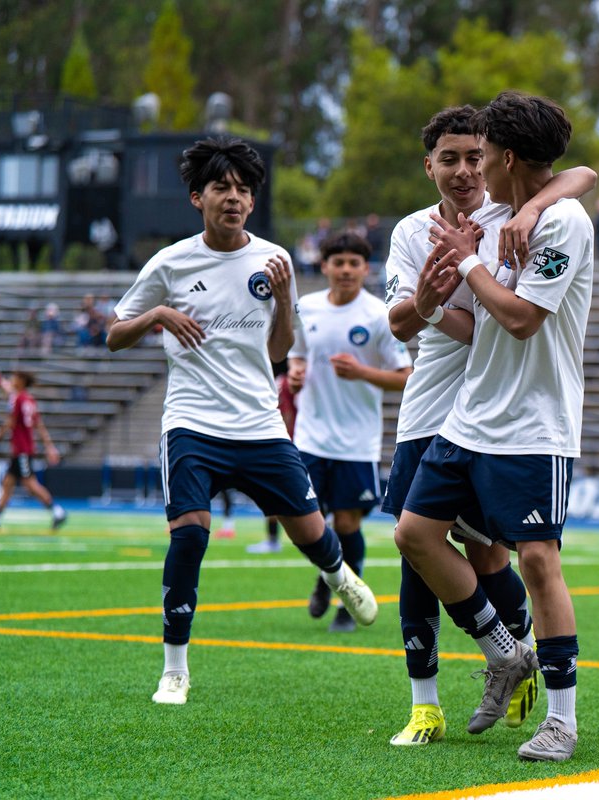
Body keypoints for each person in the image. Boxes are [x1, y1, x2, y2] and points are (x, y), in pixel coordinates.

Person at [106, 134, 379, 706]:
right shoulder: (171, 262)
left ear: (252, 202)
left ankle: (337, 577)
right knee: (190, 539)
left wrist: (283, 299)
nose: (233, 197)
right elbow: (113, 335)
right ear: (196, 198)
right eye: (221, 188)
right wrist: (158, 313)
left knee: (311, 533)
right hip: (192, 423)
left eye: (243, 190)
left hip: (258, 424)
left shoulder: (274, 261)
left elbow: (281, 350)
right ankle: (174, 669)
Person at [381, 104, 596, 747]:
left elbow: (522, 318)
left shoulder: (560, 223)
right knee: (414, 535)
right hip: (467, 416)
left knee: (534, 559)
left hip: (534, 423)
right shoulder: (497, 215)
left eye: (481, 154)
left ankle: (562, 719)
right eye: (454, 157)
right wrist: (431, 293)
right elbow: (570, 171)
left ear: (501, 158)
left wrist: (469, 261)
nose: (470, 169)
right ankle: (505, 653)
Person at [291, 231, 413, 633]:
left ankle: (346, 602)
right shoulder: (306, 307)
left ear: (365, 269)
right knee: (310, 522)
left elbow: (405, 376)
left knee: (346, 524)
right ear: (323, 265)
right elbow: (296, 354)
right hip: (310, 435)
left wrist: (361, 372)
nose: (345, 270)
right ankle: (328, 576)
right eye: (338, 262)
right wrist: (294, 372)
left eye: (354, 263)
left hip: (356, 441)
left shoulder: (379, 315)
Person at [0, 371, 67, 530]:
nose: (12, 380)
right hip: (23, 449)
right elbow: (39, 425)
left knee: (30, 484)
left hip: (22, 449)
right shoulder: (29, 400)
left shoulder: (18, 399)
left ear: (21, 381)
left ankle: (58, 512)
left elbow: (10, 423)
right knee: (7, 483)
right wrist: (49, 446)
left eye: (14, 378)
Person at [246, 360, 298, 554]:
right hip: (296, 442)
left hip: (287, 444)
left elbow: (286, 414)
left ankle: (273, 540)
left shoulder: (280, 383)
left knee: (273, 494)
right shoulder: (284, 382)